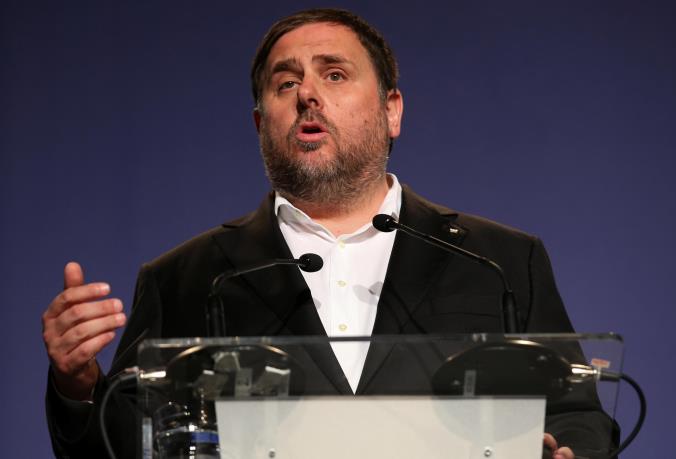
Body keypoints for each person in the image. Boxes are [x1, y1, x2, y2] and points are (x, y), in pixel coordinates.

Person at [42, 8, 617, 458]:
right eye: (285, 83)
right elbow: (126, 444)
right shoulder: (185, 279)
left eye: (334, 74)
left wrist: (571, 452)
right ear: (260, 124)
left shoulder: (500, 261)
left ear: (392, 111)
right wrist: (78, 384)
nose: (307, 94)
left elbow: (578, 415)